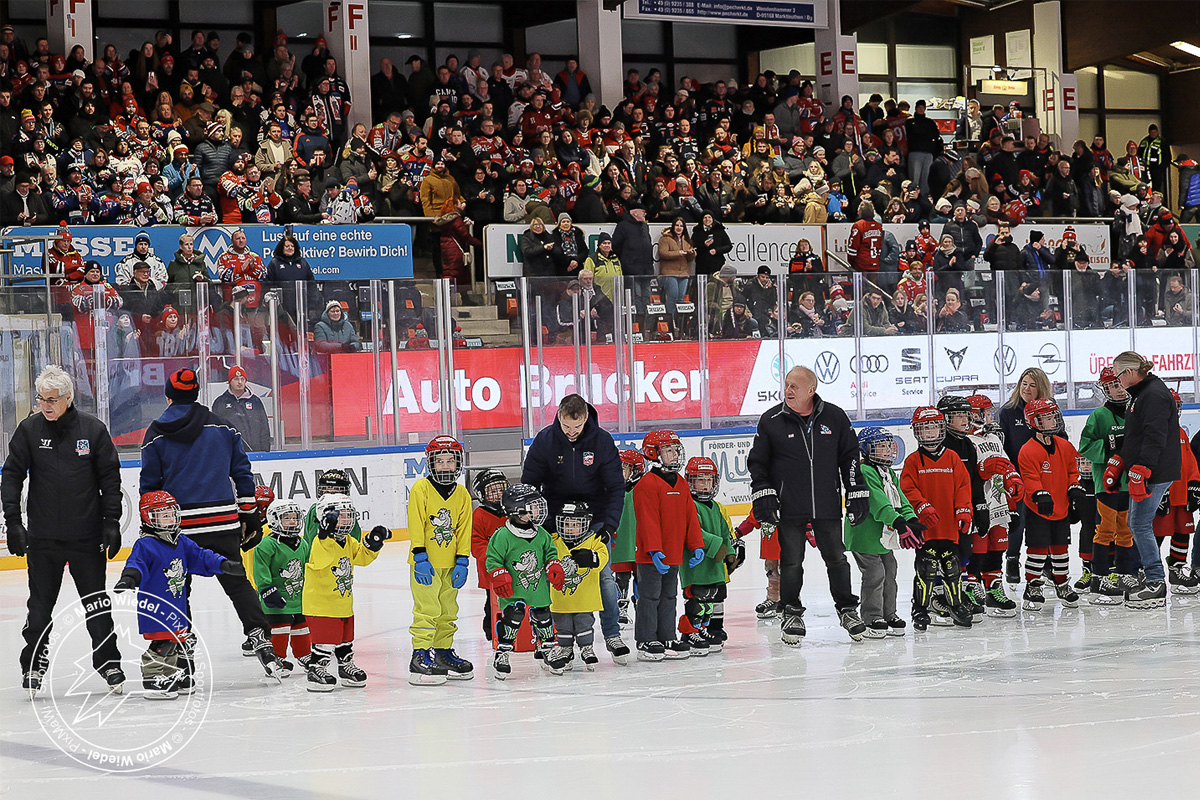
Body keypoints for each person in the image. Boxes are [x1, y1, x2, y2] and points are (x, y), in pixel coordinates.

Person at [139, 367, 283, 681]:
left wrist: (151, 530)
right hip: (222, 523)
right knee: (237, 583)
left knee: (177, 589)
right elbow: (243, 474)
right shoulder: (223, 426)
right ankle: (260, 637)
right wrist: (249, 516)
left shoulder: (156, 432)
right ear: (196, 394)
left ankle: (180, 650)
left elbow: (149, 485)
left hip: (177, 529)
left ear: (168, 396)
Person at [2, 365, 125, 696]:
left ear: (68, 398)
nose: (45, 405)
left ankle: (108, 661)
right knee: (39, 608)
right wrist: (13, 521)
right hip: (44, 540)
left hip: (87, 537)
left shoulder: (92, 429)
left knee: (97, 605)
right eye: (41, 398)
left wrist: (111, 521)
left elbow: (110, 478)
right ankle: (33, 662)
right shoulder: (29, 430)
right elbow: (12, 475)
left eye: (52, 399)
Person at [746, 366, 869, 643]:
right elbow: (758, 463)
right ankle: (791, 611)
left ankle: (847, 609)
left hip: (826, 504)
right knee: (791, 562)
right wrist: (764, 492)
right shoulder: (771, 420)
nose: (788, 391)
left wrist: (856, 490)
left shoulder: (835, 417)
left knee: (837, 559)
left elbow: (849, 457)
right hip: (788, 505)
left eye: (794, 387)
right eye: (786, 385)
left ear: (811, 390)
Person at [521, 394, 629, 664]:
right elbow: (530, 484)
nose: (571, 433)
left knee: (604, 578)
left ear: (585, 419)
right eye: (566, 427)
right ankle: (549, 637)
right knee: (551, 577)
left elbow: (616, 487)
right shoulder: (545, 441)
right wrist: (540, 522)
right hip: (554, 521)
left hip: (594, 520)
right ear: (558, 416)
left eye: (577, 428)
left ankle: (612, 633)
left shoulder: (602, 441)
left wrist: (610, 526)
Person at [114, 491, 244, 699]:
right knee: (162, 643)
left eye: (172, 514)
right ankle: (152, 676)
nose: (171, 519)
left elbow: (201, 556)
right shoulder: (145, 545)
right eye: (164, 515)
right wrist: (129, 578)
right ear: (149, 517)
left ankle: (169, 674)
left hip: (177, 607)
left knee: (175, 642)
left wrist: (222, 564)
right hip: (155, 608)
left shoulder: (181, 542)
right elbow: (135, 563)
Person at [1100, 351, 1182, 609]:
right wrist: (1120, 461)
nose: (1117, 382)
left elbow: (1155, 436)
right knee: (1139, 523)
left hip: (1155, 471)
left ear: (1130, 373)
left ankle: (1156, 581)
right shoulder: (1142, 394)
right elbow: (1136, 437)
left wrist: (1143, 467)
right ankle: (1154, 577)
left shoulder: (1153, 395)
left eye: (1118, 376)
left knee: (1139, 523)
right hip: (1151, 468)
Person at [302, 493, 387, 691]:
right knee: (324, 641)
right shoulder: (319, 542)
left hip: (342, 603)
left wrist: (374, 543)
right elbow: (322, 560)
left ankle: (345, 666)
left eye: (349, 515)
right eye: (341, 516)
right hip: (321, 605)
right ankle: (317, 669)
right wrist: (324, 534)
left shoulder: (348, 541)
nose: (346, 520)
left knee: (345, 640)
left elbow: (361, 558)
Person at [633, 430, 706, 661]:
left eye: (675, 450)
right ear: (653, 454)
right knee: (650, 596)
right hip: (651, 556)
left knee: (669, 597)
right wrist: (654, 549)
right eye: (668, 450)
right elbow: (648, 520)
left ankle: (666, 636)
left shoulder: (682, 483)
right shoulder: (647, 484)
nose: (674, 455)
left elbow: (690, 517)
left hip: (673, 554)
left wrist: (696, 545)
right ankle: (646, 639)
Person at [406, 436, 473, 684]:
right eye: (440, 461)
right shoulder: (421, 489)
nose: (445, 466)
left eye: (450, 461)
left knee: (448, 610)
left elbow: (463, 530)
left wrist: (463, 560)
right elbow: (416, 523)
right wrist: (420, 555)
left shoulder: (463, 494)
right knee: (427, 610)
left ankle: (443, 653)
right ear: (431, 463)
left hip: (450, 563)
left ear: (458, 463)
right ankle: (419, 655)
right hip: (426, 565)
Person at [901, 407, 974, 630]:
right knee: (927, 566)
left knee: (952, 565)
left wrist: (964, 509)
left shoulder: (952, 458)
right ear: (917, 432)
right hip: (925, 529)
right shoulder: (913, 461)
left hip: (949, 526)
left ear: (942, 429)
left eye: (934, 427)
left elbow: (963, 485)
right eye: (925, 429)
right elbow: (906, 488)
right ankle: (920, 608)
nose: (930, 433)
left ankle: (956, 603)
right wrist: (922, 507)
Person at [846, 428, 924, 637]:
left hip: (882, 537)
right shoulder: (864, 472)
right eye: (881, 446)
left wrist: (911, 519)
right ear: (866, 449)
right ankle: (872, 617)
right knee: (874, 574)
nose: (887, 450)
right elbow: (878, 503)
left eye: (889, 446)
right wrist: (898, 522)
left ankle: (889, 613)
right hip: (864, 535)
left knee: (890, 569)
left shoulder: (887, 472)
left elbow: (900, 499)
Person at [486, 484, 562, 678]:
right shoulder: (503, 535)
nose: (537, 511)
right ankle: (502, 652)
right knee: (514, 616)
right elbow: (492, 558)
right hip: (514, 589)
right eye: (532, 506)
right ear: (517, 510)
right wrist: (499, 574)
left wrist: (553, 564)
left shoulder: (541, 533)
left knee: (544, 616)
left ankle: (547, 648)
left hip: (537, 588)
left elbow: (550, 551)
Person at [1017, 399, 1084, 611]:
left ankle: (1062, 582)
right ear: (1034, 421)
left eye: (1053, 416)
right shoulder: (1027, 450)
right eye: (1047, 417)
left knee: (1061, 548)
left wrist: (1074, 487)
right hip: (1039, 509)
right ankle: (1033, 584)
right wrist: (1039, 494)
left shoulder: (1065, 446)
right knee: (1037, 548)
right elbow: (1029, 477)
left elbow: (1073, 471)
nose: (1052, 420)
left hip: (1061, 507)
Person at [1078, 368, 1138, 603]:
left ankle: (1124, 573)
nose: (1118, 389)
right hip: (1107, 485)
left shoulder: (1136, 411)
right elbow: (1085, 446)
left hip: (1131, 483)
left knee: (1126, 530)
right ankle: (1099, 576)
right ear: (1105, 390)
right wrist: (1110, 450)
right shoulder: (1099, 416)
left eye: (1119, 384)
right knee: (1104, 529)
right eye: (1112, 386)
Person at [998, 367, 1052, 583]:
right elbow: (1001, 447)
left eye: (1032, 384)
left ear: (1041, 388)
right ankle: (1012, 560)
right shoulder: (1008, 412)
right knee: (1016, 522)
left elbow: (1061, 439)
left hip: (1043, 476)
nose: (1027, 388)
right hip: (1017, 478)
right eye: (1024, 383)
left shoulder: (1049, 410)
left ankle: (1045, 561)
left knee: (1042, 520)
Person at [680, 457, 738, 650]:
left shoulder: (715, 507)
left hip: (714, 567)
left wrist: (729, 552)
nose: (705, 485)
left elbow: (724, 532)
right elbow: (693, 531)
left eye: (709, 480)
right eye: (700, 480)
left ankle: (704, 629)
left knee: (711, 601)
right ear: (690, 481)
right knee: (697, 601)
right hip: (696, 567)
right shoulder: (689, 505)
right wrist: (717, 546)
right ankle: (690, 632)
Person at [547, 501, 609, 672]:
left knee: (584, 623)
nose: (570, 528)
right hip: (560, 599)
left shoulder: (593, 541)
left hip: (584, 598)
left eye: (575, 524)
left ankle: (586, 647)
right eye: (566, 524)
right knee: (563, 626)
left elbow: (603, 557)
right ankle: (565, 650)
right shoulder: (553, 541)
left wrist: (593, 558)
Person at [252, 499, 313, 672]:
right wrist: (266, 589)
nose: (292, 521)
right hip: (276, 600)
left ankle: (304, 655)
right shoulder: (267, 545)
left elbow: (307, 567)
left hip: (298, 598)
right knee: (279, 629)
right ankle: (277, 657)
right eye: (287, 518)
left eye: (294, 517)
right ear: (274, 520)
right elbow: (261, 569)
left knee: (301, 627)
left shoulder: (303, 544)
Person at [470, 469, 508, 638]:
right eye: (493, 491)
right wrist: (492, 559)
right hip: (491, 571)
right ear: (482, 494)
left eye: (501, 489)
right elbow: (476, 543)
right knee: (492, 603)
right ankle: (492, 631)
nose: (499, 495)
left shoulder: (512, 511)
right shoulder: (479, 515)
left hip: (514, 568)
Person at [213, 365, 271, 452]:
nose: (240, 382)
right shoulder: (220, 403)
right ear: (229, 382)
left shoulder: (256, 401)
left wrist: (265, 451)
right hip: (231, 453)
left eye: (242, 379)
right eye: (236, 379)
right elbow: (216, 431)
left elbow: (264, 427)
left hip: (256, 453)